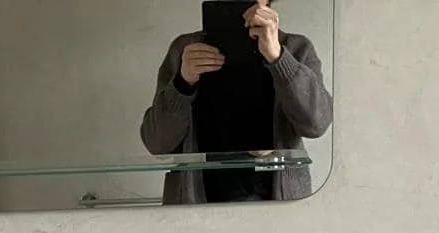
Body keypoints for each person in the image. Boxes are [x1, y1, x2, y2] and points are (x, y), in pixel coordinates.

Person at [140, 1, 333, 204]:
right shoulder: (185, 50)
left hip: (277, 204)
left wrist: (279, 57)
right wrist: (182, 83)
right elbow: (157, 144)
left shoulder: (297, 48)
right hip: (197, 204)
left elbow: (317, 124)